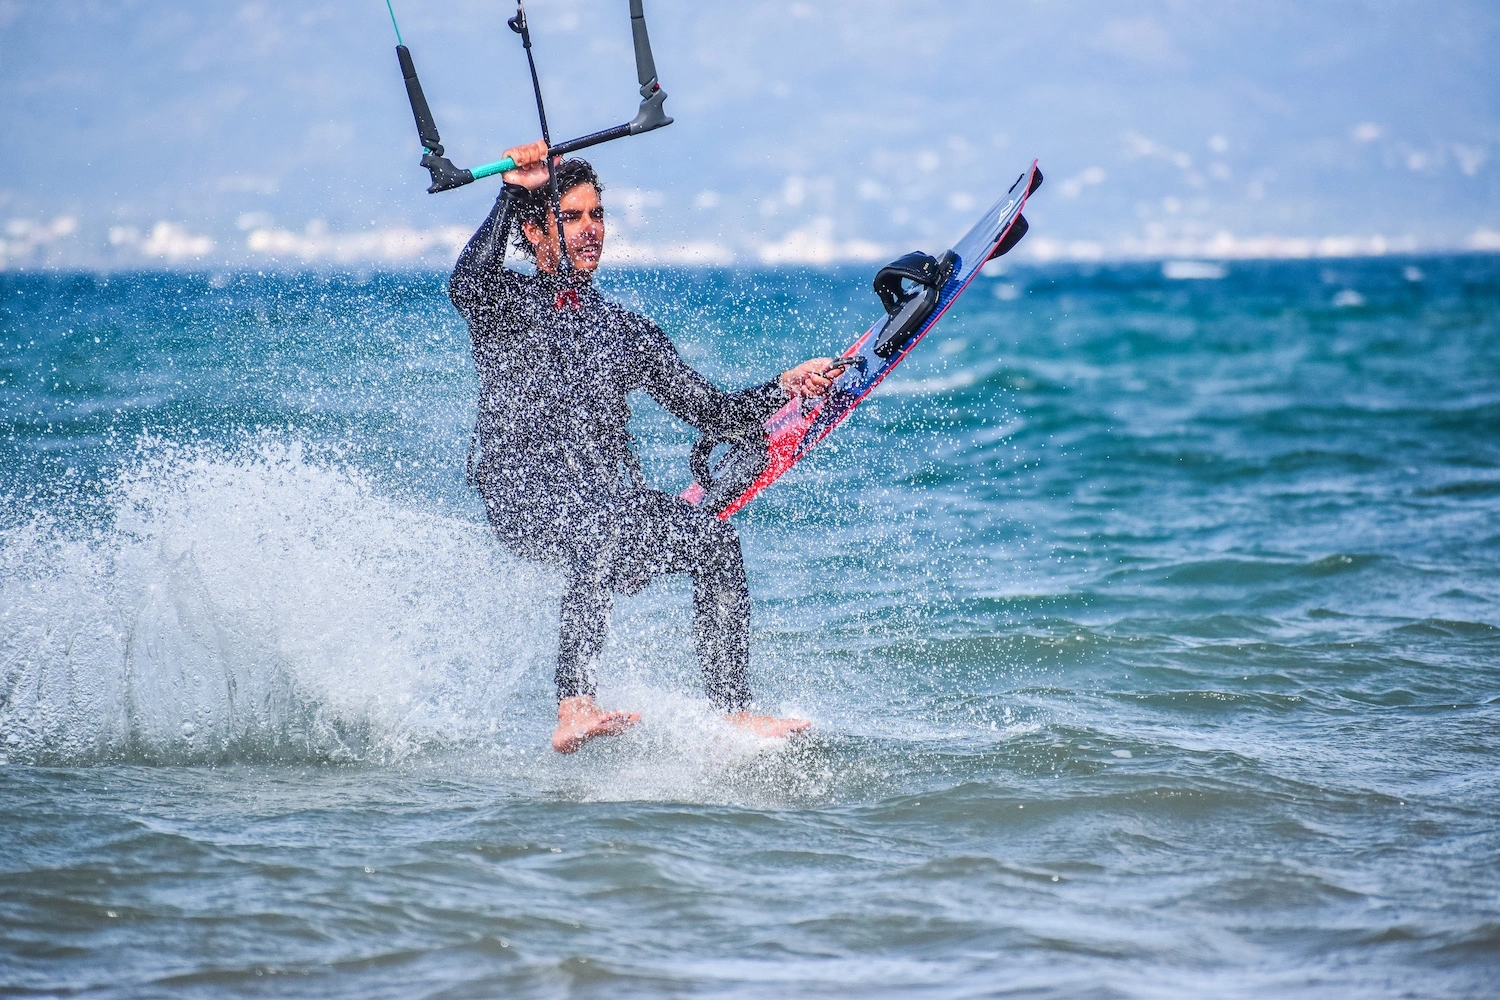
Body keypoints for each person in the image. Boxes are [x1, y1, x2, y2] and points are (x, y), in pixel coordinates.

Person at [449, 139, 840, 754]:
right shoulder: (506, 307)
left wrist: (784, 386)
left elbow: (713, 412)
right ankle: (573, 706)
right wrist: (513, 188)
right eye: (571, 217)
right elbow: (466, 281)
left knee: (713, 538)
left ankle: (732, 711)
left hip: (605, 503)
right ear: (535, 230)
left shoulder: (623, 328)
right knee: (599, 524)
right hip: (522, 497)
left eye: (597, 215)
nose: (590, 230)